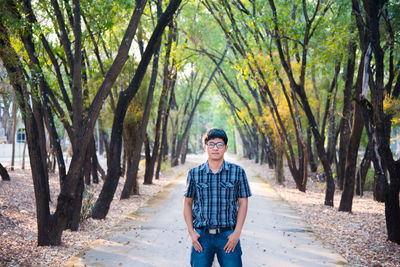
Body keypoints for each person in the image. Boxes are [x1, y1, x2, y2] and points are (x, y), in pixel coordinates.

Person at [183, 128, 252, 267]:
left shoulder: (237, 172)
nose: (215, 148)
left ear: (226, 148)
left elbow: (243, 203)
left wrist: (237, 233)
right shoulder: (195, 174)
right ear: (205, 147)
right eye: (211, 144)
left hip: (228, 235)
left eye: (220, 144)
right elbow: (187, 203)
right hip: (202, 237)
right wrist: (191, 232)